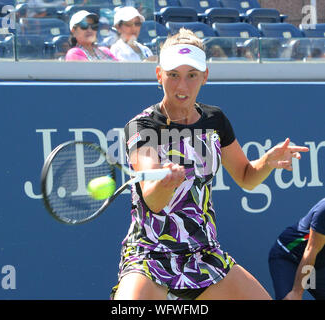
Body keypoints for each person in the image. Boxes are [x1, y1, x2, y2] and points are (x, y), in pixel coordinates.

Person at [111, 28, 309, 300]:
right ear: (159, 75)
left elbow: (245, 176)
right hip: (150, 254)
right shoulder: (142, 126)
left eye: (192, 75)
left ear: (205, 76)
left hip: (204, 254)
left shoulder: (215, 120)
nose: (182, 86)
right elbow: (152, 200)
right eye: (173, 75)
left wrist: (267, 162)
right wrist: (166, 183)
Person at [268, 198, 325, 300]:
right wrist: (296, 292)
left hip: (318, 267)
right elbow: (311, 251)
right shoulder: (323, 211)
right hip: (289, 257)